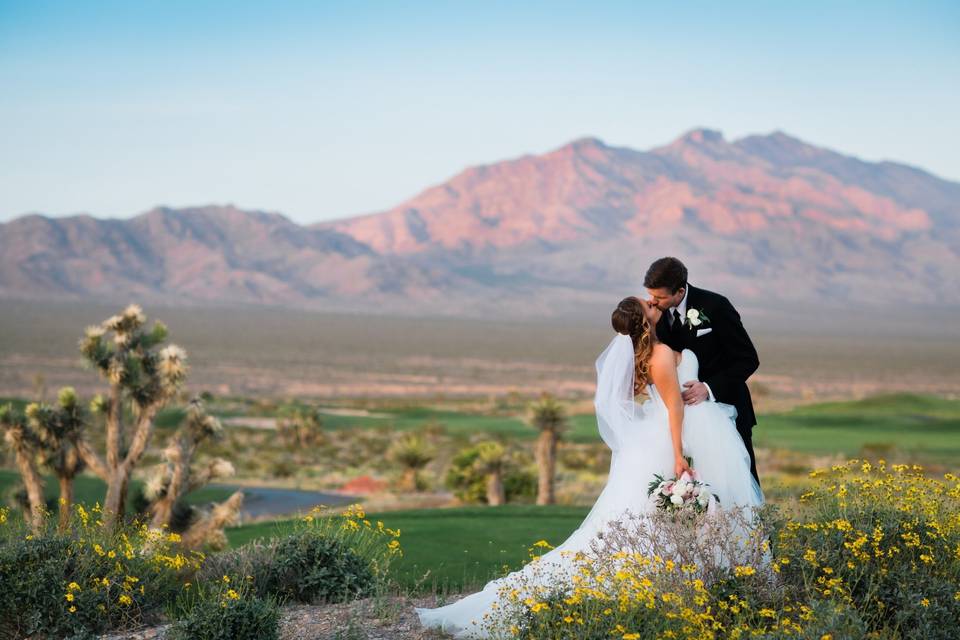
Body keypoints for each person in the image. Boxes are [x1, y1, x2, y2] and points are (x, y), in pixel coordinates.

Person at [416, 294, 763, 639]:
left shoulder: (657, 346)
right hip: (683, 435)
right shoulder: (657, 355)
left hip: (697, 430)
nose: (654, 304)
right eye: (649, 306)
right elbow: (675, 408)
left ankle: (703, 580)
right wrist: (678, 456)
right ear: (645, 322)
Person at [645, 257, 761, 483]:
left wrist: (708, 388)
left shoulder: (716, 306)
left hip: (727, 410)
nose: (653, 302)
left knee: (738, 482)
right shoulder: (654, 316)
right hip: (682, 422)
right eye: (651, 295)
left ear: (679, 292)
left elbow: (748, 359)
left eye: (659, 297)